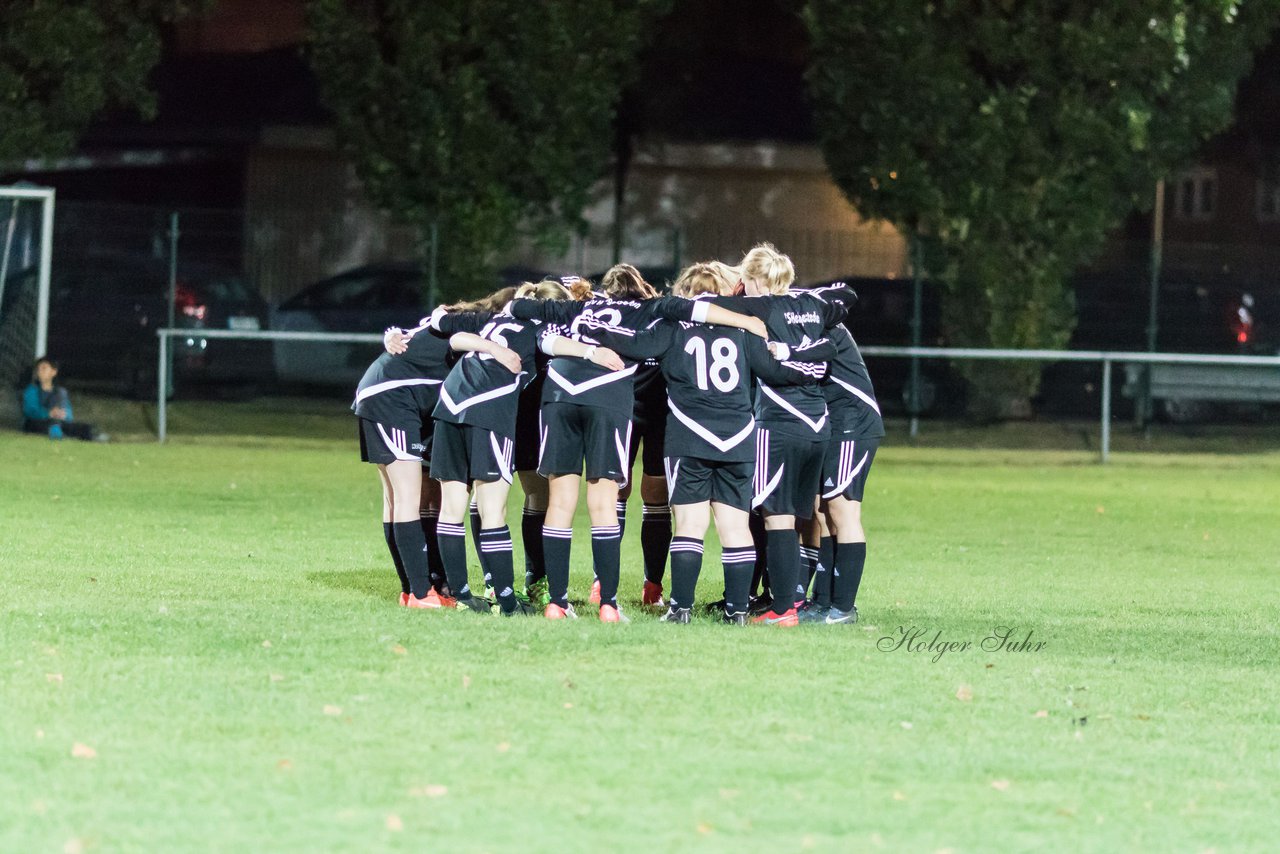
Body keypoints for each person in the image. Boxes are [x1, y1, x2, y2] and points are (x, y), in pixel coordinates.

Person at [582, 262, 827, 624]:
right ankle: (737, 611)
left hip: (689, 438)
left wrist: (589, 327)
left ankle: (680, 608)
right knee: (735, 527)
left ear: (684, 292)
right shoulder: (746, 330)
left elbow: (630, 343)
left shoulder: (671, 329)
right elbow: (775, 372)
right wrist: (811, 357)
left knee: (690, 526)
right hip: (740, 441)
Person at [650, 244, 854, 626]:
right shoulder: (807, 303)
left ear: (750, 279)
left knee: (767, 520)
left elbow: (672, 310)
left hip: (756, 428)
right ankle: (762, 607)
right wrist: (809, 365)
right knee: (785, 519)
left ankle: (772, 608)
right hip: (805, 426)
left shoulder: (751, 311)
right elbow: (844, 300)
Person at [424, 281, 624, 616]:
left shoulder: (498, 319)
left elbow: (454, 336)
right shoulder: (538, 328)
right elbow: (553, 341)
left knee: (452, 506)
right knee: (493, 510)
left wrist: (492, 348)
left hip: (448, 406)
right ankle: (505, 602)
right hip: (488, 412)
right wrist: (592, 352)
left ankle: (461, 597)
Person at [507, 264, 664, 621]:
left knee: (560, 503)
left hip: (559, 394)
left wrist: (586, 350)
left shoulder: (580, 308)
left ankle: (556, 603)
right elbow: (657, 347)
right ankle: (608, 603)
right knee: (603, 504)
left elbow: (541, 335)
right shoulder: (645, 312)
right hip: (607, 399)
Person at [22, 357, 105, 442]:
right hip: (38, 422)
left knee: (84, 427)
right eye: (38, 369)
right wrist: (48, 413)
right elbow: (30, 411)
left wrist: (63, 415)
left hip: (57, 422)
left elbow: (68, 412)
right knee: (44, 424)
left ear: (53, 372)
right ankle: (57, 430)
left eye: (44, 368)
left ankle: (89, 434)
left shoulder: (59, 392)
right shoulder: (32, 390)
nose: (40, 372)